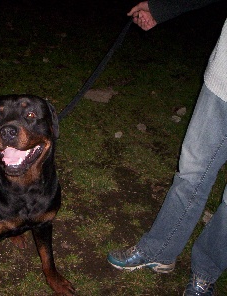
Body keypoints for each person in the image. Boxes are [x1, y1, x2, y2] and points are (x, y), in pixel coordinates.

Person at [107, 1, 227, 295]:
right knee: (191, 171)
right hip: (224, 81)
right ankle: (159, 250)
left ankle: (206, 272)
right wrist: (161, 8)